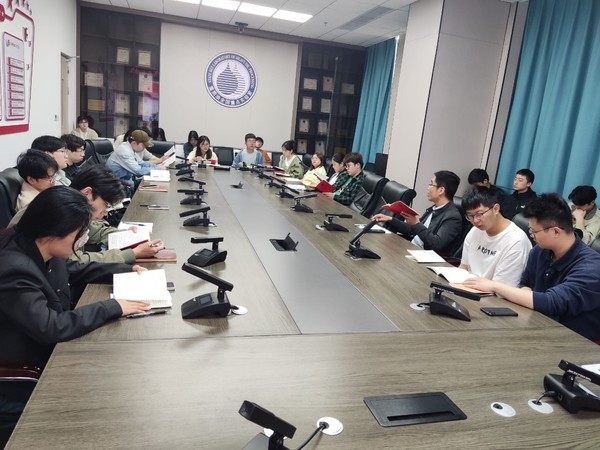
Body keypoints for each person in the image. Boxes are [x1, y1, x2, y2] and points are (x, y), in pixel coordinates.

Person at [0, 187, 149, 430]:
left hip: (40, 349)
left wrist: (125, 270)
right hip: (18, 372)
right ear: (53, 232)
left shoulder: (38, 246)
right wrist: (113, 306)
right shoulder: (14, 269)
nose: (83, 239)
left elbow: (73, 270)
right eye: (79, 233)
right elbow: (50, 327)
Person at [464, 194, 600, 342]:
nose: (531, 236)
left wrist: (494, 285)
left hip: (574, 341)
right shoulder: (540, 250)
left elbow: (551, 302)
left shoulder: (590, 267)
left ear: (556, 231)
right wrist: (531, 296)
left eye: (533, 232)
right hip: (535, 326)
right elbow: (525, 283)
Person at [373, 170, 462, 255]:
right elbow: (412, 229)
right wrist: (390, 219)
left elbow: (436, 244)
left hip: (422, 257)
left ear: (441, 190)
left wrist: (416, 224)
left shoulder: (452, 217)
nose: (428, 188)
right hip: (411, 248)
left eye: (431, 184)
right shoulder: (434, 208)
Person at [459, 186, 531, 286]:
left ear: (496, 209)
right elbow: (464, 267)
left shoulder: (516, 241)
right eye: (470, 216)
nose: (475, 220)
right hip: (468, 287)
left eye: (479, 214)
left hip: (493, 293)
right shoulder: (475, 231)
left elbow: (503, 288)